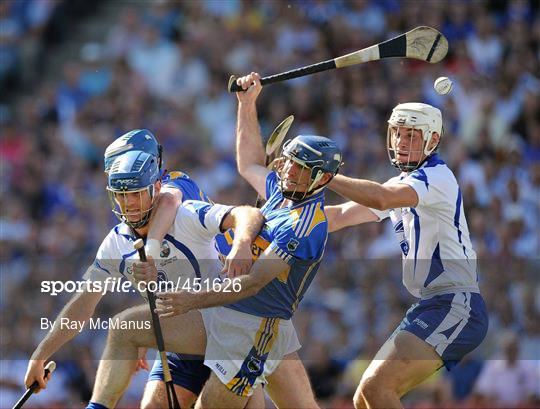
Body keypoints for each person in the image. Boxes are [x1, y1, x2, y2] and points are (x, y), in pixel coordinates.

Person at [91, 75, 343, 407]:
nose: (289, 172)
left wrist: (190, 301)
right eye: (290, 163)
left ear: (322, 179)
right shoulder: (280, 193)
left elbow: (252, 283)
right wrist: (246, 104)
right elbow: (249, 163)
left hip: (256, 325)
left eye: (301, 169)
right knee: (126, 329)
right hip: (218, 311)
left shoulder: (305, 224)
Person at [24, 149, 265, 409]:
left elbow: (249, 214)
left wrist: (241, 243)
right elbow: (83, 304)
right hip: (180, 345)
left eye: (137, 193)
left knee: (123, 328)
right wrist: (40, 356)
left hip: (226, 329)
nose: (130, 203)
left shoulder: (186, 216)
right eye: (122, 195)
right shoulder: (116, 242)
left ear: (156, 188)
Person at [325, 102, 489, 409]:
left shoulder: (438, 177)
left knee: (378, 389)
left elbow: (381, 198)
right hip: (431, 304)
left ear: (433, 140)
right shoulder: (401, 183)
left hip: (457, 303)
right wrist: (280, 216)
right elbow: (338, 217)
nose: (401, 142)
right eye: (397, 133)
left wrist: (325, 176)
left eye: (412, 136)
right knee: (364, 397)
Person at [105, 129, 219, 407]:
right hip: (186, 318)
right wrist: (146, 333)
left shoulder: (170, 186)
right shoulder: (142, 210)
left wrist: (151, 251)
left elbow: (169, 201)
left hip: (224, 314)